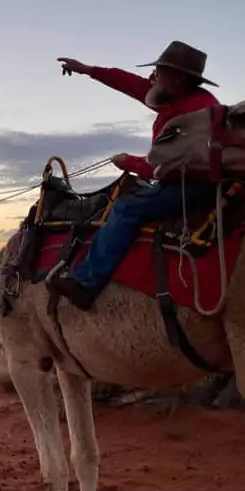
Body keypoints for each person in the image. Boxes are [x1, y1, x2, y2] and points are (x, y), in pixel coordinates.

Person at [47, 40, 223, 310]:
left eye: (159, 71)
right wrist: (87, 70)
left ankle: (85, 284)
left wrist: (129, 162)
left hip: (193, 185)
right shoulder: (175, 98)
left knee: (127, 208)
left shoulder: (194, 113)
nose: (152, 77)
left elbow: (169, 166)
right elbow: (131, 84)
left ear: (176, 78)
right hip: (184, 180)